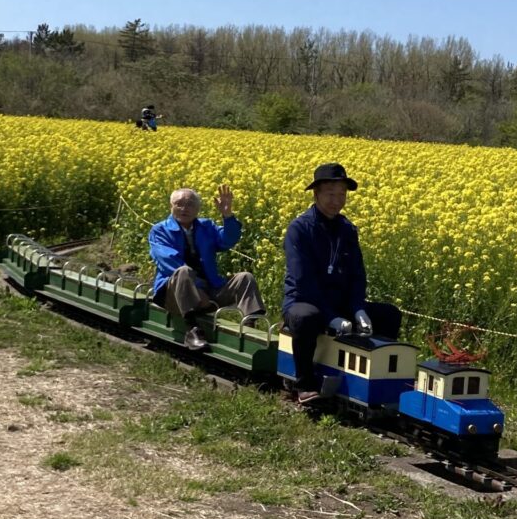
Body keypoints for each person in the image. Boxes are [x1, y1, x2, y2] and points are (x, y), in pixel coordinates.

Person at [283, 162, 402, 404]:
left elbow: (358, 274)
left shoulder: (347, 229)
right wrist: (331, 318)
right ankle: (304, 383)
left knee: (390, 315)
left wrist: (358, 309)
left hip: (341, 305)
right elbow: (304, 282)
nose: (336, 201)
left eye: (342, 194)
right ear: (316, 194)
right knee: (307, 317)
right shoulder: (300, 229)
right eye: (330, 194)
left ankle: (372, 383)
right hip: (304, 301)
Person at [149, 185, 266, 351]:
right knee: (183, 271)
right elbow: (169, 262)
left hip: (209, 291)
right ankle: (192, 330)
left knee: (245, 278)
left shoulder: (206, 226)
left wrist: (228, 215)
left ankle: (250, 327)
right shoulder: (160, 231)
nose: (184, 208)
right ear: (171, 206)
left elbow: (228, 240)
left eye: (190, 204)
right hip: (174, 295)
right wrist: (196, 288)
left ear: (198, 209)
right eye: (179, 204)